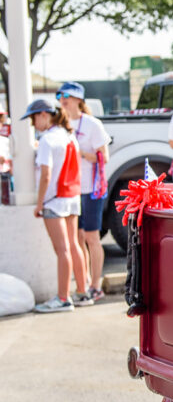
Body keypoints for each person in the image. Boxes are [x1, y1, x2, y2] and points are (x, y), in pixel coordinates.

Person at [21, 97, 94, 313]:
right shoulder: (69, 136)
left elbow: (46, 175)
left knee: (62, 250)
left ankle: (63, 298)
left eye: (33, 118)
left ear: (44, 115)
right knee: (73, 245)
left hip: (54, 200)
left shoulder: (47, 140)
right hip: (72, 197)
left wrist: (39, 203)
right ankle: (82, 293)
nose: (33, 124)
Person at [56, 82, 111, 301]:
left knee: (91, 237)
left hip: (91, 189)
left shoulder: (92, 124)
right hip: (71, 189)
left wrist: (80, 153)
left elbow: (104, 157)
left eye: (67, 95)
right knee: (76, 237)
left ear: (78, 99)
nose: (62, 99)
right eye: (60, 95)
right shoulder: (60, 124)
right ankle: (84, 282)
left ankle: (96, 285)